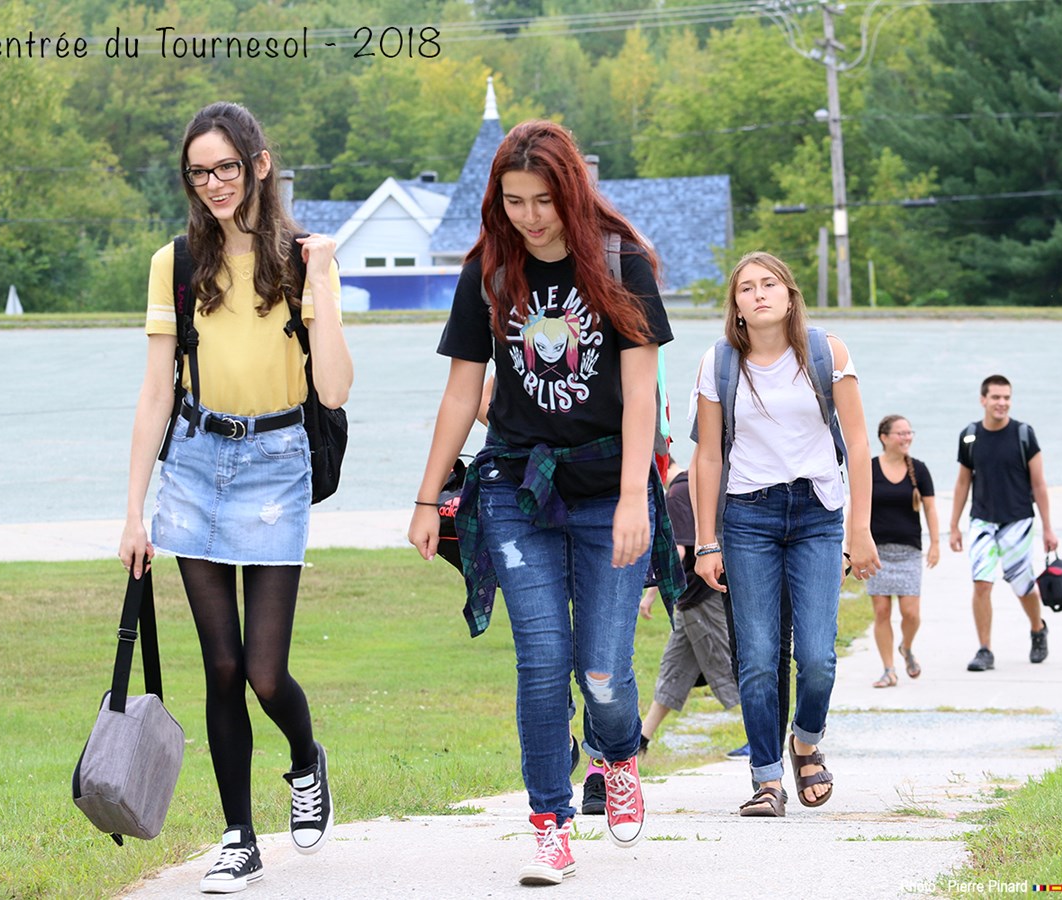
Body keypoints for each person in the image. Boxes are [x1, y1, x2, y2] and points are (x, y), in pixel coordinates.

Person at [407, 119, 683, 887]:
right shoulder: (491, 272)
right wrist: (429, 497)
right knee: (541, 664)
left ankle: (619, 754)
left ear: (572, 192)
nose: (530, 217)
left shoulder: (621, 262)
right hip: (514, 489)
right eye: (514, 200)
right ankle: (549, 825)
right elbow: (463, 391)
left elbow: (640, 392)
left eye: (544, 201)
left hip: (607, 493)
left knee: (602, 675)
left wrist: (637, 497)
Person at [118, 102, 352, 894]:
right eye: (198, 171)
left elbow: (335, 386)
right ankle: (238, 837)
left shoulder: (303, 258)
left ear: (259, 162)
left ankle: (304, 757)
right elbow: (155, 392)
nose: (213, 183)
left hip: (277, 461)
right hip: (191, 462)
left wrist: (321, 277)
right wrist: (132, 513)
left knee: (262, 671)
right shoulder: (176, 262)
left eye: (226, 166)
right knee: (218, 667)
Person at [692, 251, 878, 818]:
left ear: (790, 295)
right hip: (748, 516)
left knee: (818, 655)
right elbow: (706, 457)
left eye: (769, 283)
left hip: (819, 514)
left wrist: (861, 528)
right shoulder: (719, 363)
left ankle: (805, 740)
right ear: (737, 307)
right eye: (746, 288)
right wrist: (705, 541)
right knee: (756, 654)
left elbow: (860, 443)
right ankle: (766, 778)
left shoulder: (828, 353)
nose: (759, 294)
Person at [948, 375, 1056, 672]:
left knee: (1023, 586)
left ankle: (1037, 628)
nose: (1002, 403)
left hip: (1018, 521)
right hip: (982, 521)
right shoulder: (970, 435)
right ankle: (985, 650)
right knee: (982, 584)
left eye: (1006, 397)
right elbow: (962, 483)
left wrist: (1048, 528)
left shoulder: (1024, 434)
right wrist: (954, 525)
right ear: (983, 400)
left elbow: (1040, 484)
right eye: (995, 397)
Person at [636, 459, 742, 755]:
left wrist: (650, 595)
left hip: (701, 595)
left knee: (725, 665)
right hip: (691, 599)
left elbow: (677, 552)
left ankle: (762, 737)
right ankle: (641, 740)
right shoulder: (691, 485)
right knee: (674, 669)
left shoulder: (676, 493)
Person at [866, 415, 940, 687]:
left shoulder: (918, 469)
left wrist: (935, 544)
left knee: (911, 613)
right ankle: (888, 669)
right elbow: (858, 507)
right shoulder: (870, 468)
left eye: (909, 432)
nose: (906, 437)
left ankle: (906, 647)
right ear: (884, 437)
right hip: (878, 551)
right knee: (882, 612)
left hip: (909, 550)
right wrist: (853, 545)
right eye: (901, 433)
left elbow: (931, 508)